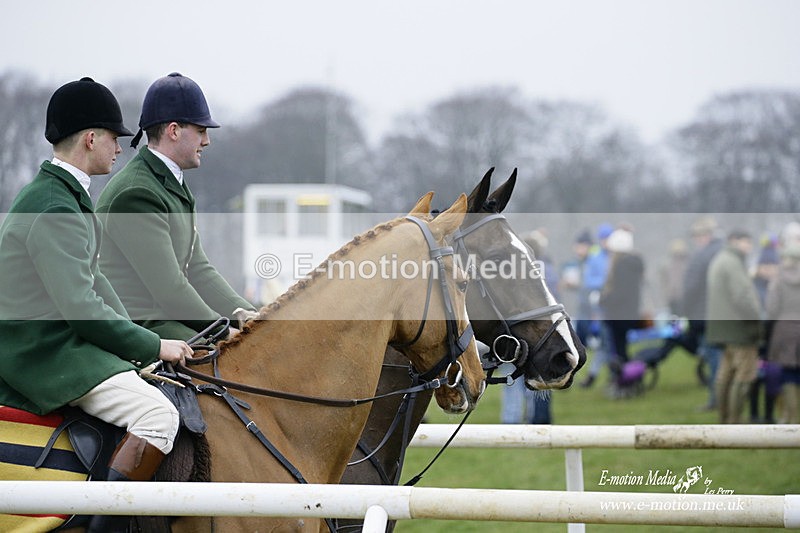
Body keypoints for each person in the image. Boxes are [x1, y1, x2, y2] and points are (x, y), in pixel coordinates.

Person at [0, 78, 193, 531]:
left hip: (56, 342)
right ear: (91, 138)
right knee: (157, 414)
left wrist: (140, 343)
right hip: (42, 354)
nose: (120, 148)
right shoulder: (54, 207)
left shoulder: (65, 196)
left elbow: (97, 283)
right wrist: (153, 346)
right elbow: (81, 307)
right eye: (115, 138)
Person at [96, 73, 256, 342]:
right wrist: (221, 330)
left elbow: (198, 268)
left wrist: (246, 314)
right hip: (142, 326)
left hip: (167, 318)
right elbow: (169, 288)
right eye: (201, 131)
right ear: (173, 131)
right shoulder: (137, 192)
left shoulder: (169, 182)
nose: (206, 141)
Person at [705, 229, 762, 424]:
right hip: (739, 329)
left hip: (723, 329)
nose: (749, 246)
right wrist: (756, 320)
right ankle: (735, 421)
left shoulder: (720, 260)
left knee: (725, 374)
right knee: (744, 374)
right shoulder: (733, 263)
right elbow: (743, 297)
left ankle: (724, 418)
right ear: (734, 241)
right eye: (746, 241)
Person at [599, 228, 644, 376]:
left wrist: (602, 299)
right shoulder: (634, 263)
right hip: (629, 312)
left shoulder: (621, 264)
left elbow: (619, 293)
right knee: (622, 349)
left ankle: (624, 380)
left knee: (619, 351)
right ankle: (627, 378)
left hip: (618, 314)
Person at [765, 243, 800, 423]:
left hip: (784, 330)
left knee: (787, 374)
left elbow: (771, 308)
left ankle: (790, 417)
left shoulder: (778, 279)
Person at [579, 223, 614, 388]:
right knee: (606, 342)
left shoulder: (616, 256)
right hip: (600, 305)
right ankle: (608, 375)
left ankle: (597, 375)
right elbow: (589, 281)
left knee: (607, 343)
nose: (606, 241)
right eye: (604, 238)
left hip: (615, 305)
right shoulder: (595, 257)